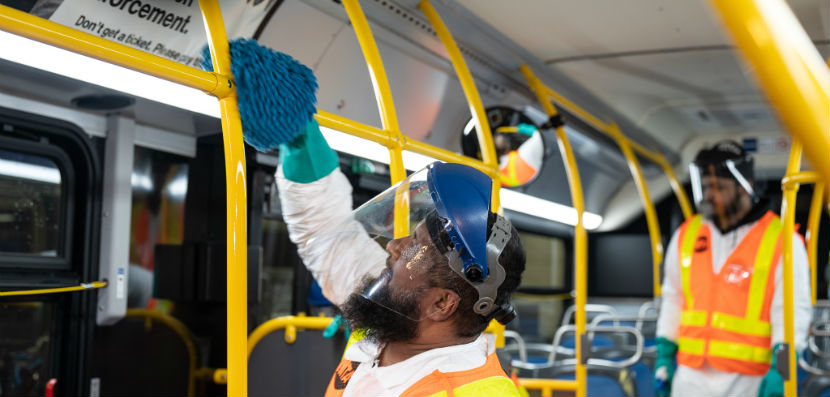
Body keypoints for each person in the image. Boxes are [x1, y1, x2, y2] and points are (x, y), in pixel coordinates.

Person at [276, 119, 526, 397]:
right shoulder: (395, 314)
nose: (393, 246)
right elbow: (332, 239)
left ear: (442, 303)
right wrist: (299, 131)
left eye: (414, 247)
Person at [654, 140, 812, 397]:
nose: (708, 195)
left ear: (744, 187)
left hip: (748, 381)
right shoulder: (687, 234)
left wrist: (782, 371)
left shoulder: (782, 241)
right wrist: (663, 356)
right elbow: (673, 298)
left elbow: (792, 313)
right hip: (690, 379)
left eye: (718, 187)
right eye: (705, 186)